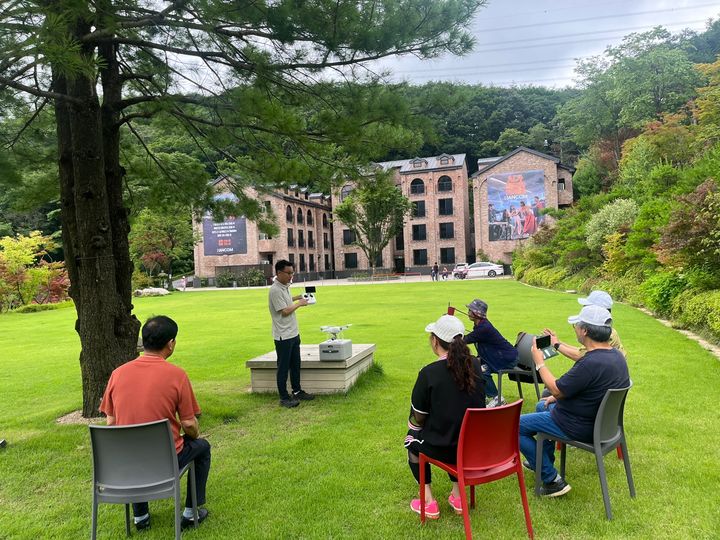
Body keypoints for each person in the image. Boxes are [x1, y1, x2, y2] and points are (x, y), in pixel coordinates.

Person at [99, 316, 211, 531]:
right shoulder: (176, 375)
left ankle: (140, 517)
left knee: (133, 444)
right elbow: (189, 423)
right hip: (164, 461)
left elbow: (111, 422)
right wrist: (193, 435)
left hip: (124, 462)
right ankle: (190, 513)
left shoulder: (117, 373)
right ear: (171, 344)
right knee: (202, 447)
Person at [519, 305, 630, 497]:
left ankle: (552, 479)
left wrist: (539, 362)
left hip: (578, 425)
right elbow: (581, 390)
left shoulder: (590, 363)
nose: (576, 329)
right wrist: (556, 396)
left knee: (514, 425)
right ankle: (543, 459)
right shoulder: (616, 356)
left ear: (585, 330)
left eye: (576, 326)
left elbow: (555, 387)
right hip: (599, 423)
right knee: (541, 404)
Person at [405, 315, 486, 518]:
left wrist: (417, 426)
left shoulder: (429, 373)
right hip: (473, 445)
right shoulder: (475, 365)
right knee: (456, 430)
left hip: (446, 446)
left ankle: (428, 501)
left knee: (411, 439)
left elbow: (419, 417)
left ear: (434, 341)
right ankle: (458, 496)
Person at [269, 259, 314, 408]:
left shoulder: (285, 286)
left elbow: (286, 301)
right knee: (283, 367)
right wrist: (299, 304)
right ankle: (284, 397)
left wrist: (297, 297)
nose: (291, 276)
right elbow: (285, 311)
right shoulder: (275, 290)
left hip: (293, 333)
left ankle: (297, 391)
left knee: (296, 364)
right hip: (283, 336)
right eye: (288, 273)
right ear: (279, 273)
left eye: (292, 273)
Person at [463, 299, 518, 407]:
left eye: (470, 310)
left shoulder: (484, 328)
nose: (468, 312)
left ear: (476, 314)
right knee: (474, 365)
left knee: (481, 370)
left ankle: (497, 398)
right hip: (500, 356)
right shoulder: (481, 325)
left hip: (507, 359)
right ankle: (482, 396)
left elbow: (464, 340)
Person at [543, 290, 626, 362]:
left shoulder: (607, 334)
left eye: (587, 306)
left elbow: (580, 356)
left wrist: (556, 345)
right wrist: (557, 341)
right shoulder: (604, 331)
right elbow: (582, 351)